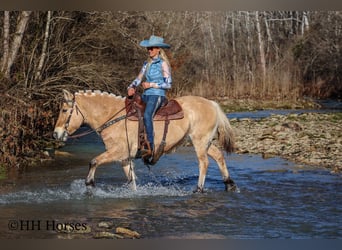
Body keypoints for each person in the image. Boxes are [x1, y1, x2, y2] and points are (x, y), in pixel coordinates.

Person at [127, 35, 172, 160]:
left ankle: (150, 147)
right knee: (134, 114)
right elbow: (138, 78)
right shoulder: (146, 63)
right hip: (146, 95)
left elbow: (168, 84)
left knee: (147, 115)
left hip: (157, 95)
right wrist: (131, 87)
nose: (149, 50)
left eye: (152, 48)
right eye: (148, 48)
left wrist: (151, 84)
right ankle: (138, 145)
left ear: (159, 49)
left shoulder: (163, 64)